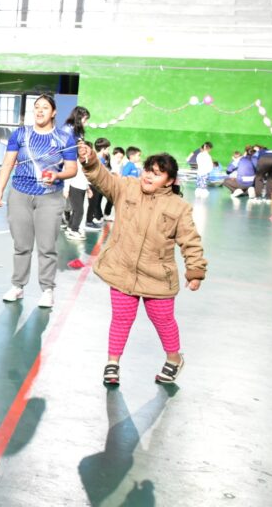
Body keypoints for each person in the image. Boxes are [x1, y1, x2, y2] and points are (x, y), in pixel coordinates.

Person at [77, 144, 206, 386]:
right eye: (148, 170)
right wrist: (90, 159)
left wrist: (195, 271)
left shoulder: (179, 208)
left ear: (169, 181)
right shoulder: (126, 187)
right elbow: (102, 178)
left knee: (163, 320)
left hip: (158, 276)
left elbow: (191, 241)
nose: (148, 176)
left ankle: (174, 358)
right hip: (121, 269)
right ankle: (113, 362)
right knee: (121, 318)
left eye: (157, 173)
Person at [0, 94, 78, 308]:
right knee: (21, 245)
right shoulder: (20, 134)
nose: (40, 111)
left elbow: (72, 169)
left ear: (54, 112)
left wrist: (57, 175)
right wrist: (0, 189)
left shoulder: (64, 138)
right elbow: (8, 163)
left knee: (47, 247)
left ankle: (47, 290)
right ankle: (18, 286)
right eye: (37, 107)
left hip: (50, 197)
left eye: (45, 107)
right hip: (19, 194)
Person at [61, 106, 89, 241]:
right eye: (85, 119)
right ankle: (72, 228)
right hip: (67, 166)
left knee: (75, 207)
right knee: (76, 208)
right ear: (79, 117)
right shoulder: (67, 129)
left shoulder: (79, 131)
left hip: (76, 173)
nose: (86, 122)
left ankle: (70, 226)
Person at [85, 137, 112, 229]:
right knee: (93, 203)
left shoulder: (104, 158)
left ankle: (92, 220)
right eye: (108, 149)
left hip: (98, 184)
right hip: (93, 184)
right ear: (103, 149)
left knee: (95, 202)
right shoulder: (96, 159)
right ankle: (89, 222)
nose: (108, 150)